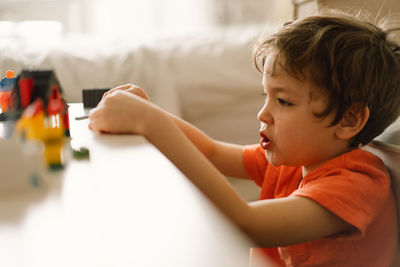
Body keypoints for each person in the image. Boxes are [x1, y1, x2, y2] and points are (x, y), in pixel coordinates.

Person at [88, 12, 400, 266]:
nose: (263, 114)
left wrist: (151, 123)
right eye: (267, 95)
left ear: (349, 119)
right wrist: (149, 110)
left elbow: (246, 225)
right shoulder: (295, 159)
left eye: (284, 102)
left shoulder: (358, 184)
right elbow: (211, 152)